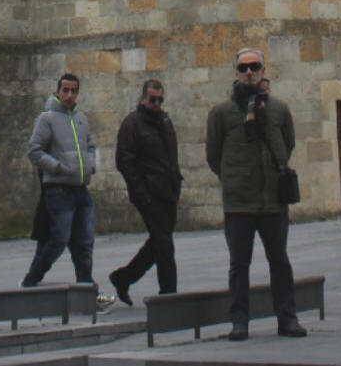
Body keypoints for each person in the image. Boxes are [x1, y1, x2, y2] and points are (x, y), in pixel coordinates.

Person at [205, 47, 307, 341]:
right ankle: (239, 322)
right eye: (243, 67)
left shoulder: (279, 110)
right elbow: (213, 155)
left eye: (254, 67)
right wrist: (232, 179)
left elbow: (287, 144)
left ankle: (287, 318)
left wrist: (274, 171)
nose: (248, 72)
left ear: (263, 70)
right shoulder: (221, 113)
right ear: (236, 72)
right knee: (239, 265)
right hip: (239, 202)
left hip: (273, 200)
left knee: (280, 261)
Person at [21, 72, 114, 310]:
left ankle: (85, 289)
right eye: (65, 90)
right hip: (59, 190)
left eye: (73, 91)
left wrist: (91, 165)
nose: (69, 95)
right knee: (59, 239)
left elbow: (90, 146)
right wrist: (57, 167)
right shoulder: (47, 118)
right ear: (58, 91)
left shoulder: (81, 118)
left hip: (81, 188)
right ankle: (31, 280)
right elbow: (34, 150)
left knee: (85, 242)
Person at [109, 78, 182, 304]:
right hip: (149, 194)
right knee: (164, 244)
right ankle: (168, 297)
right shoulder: (132, 124)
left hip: (168, 192)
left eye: (160, 100)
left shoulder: (165, 121)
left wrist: (176, 182)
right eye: (152, 100)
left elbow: (171, 155)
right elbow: (124, 161)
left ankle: (123, 277)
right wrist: (142, 192)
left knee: (159, 241)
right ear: (143, 98)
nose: (157, 104)